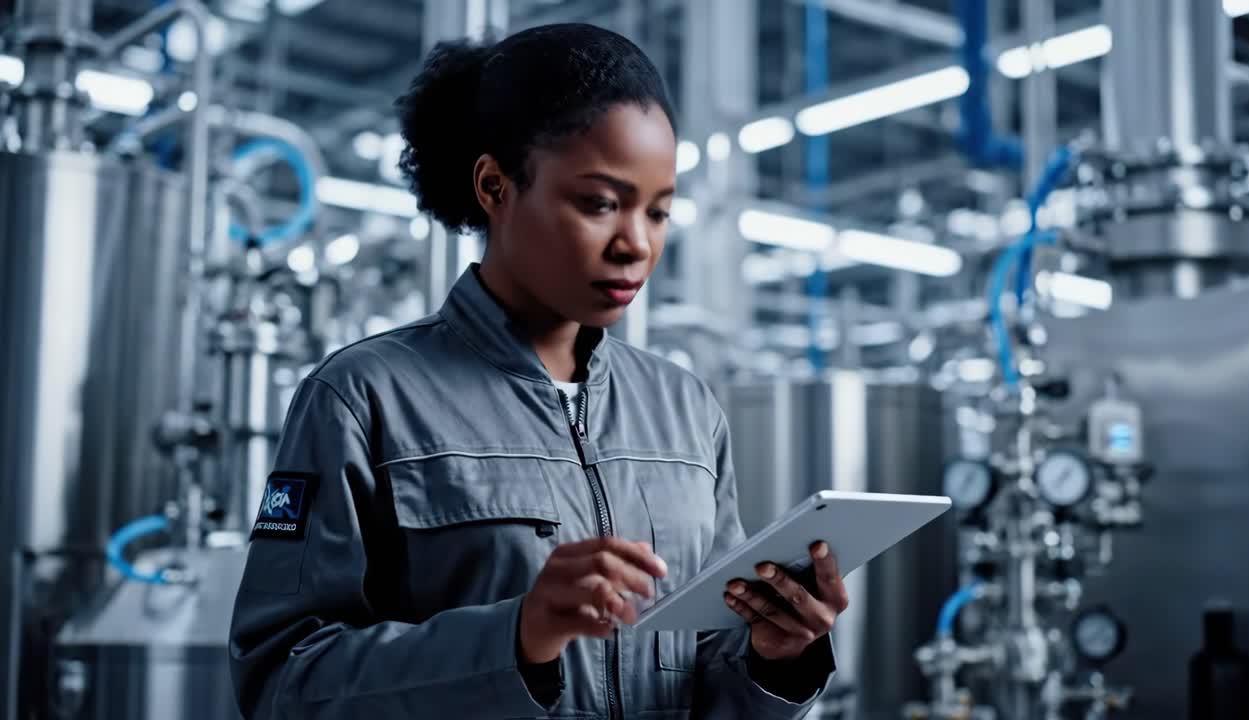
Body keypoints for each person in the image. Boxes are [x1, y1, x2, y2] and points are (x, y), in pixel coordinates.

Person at [229, 22, 846, 719]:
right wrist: (516, 637)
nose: (635, 245)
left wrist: (775, 658)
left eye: (659, 211)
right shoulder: (364, 399)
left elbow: (707, 672)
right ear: (495, 186)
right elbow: (282, 683)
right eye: (599, 203)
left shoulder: (686, 410)